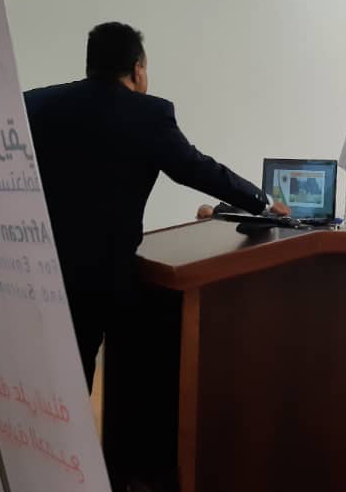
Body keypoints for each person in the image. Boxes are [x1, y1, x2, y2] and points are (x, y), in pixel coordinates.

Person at [24, 22, 290, 391]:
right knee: (74, 378)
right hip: (96, 277)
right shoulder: (147, 113)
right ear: (137, 70)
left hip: (29, 266)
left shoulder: (35, 104)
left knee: (12, 365)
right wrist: (261, 202)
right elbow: (194, 168)